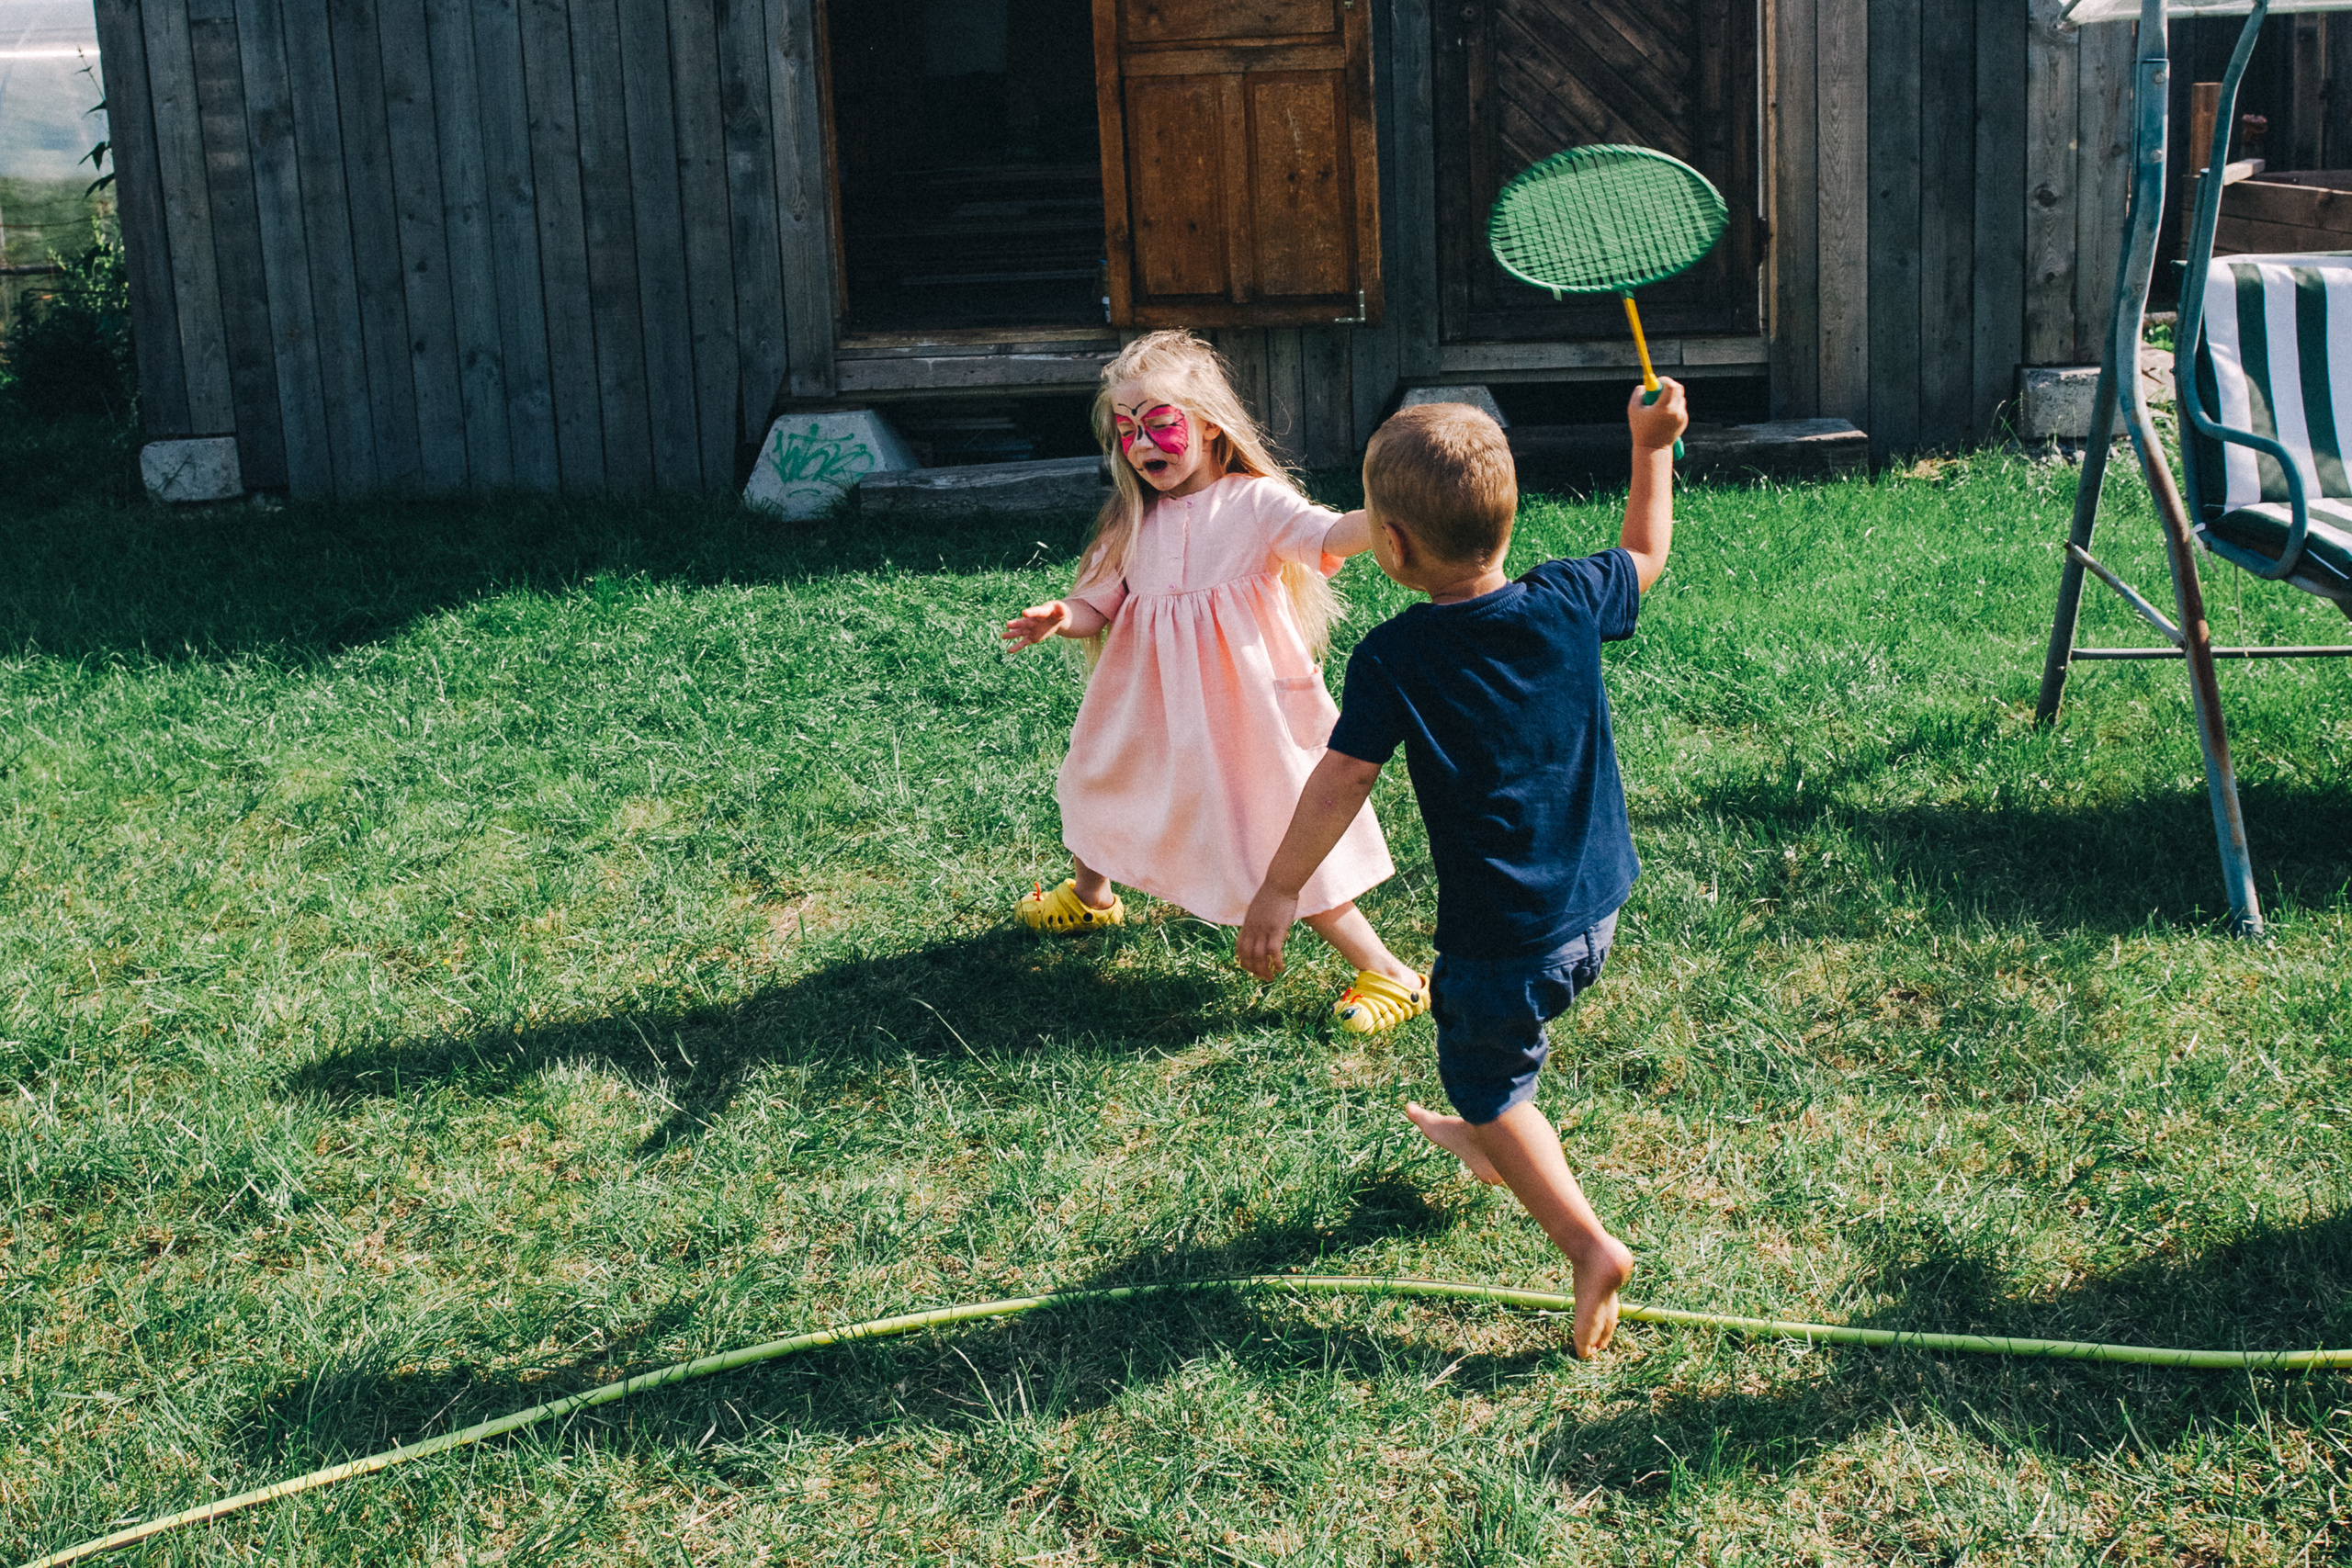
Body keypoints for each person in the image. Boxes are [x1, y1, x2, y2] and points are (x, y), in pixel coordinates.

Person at [1236, 384, 1690, 1357]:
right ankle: (1484, 1136)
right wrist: (1648, 445)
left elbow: (1341, 780)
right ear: (1508, 516)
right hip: (1597, 901)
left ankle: (1583, 1240)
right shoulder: (1568, 596)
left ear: (1389, 546)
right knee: (1483, 1036)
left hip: (1504, 933)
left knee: (1489, 1076)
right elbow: (1646, 556)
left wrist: (1280, 889)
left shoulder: (1398, 656)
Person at [999, 330, 1429, 1032]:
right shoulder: (1133, 519)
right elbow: (1099, 602)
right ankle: (1091, 897)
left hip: (1244, 723)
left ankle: (1391, 973)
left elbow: (1323, 535)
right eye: (1127, 429)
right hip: (1148, 713)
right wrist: (1061, 614)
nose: (1144, 444)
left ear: (1207, 423)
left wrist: (1383, 521)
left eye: (1160, 423)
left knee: (1270, 836)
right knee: (1098, 785)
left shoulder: (1254, 504)